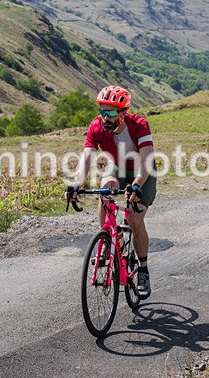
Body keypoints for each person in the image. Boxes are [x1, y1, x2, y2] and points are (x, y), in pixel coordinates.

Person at [67, 85, 156, 298]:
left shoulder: (139, 124)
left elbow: (146, 158)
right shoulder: (97, 126)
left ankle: (142, 268)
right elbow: (86, 158)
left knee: (135, 220)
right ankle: (107, 239)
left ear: (123, 113)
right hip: (117, 167)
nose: (104, 117)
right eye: (102, 111)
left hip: (143, 171)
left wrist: (136, 184)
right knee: (105, 189)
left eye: (110, 113)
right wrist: (76, 184)